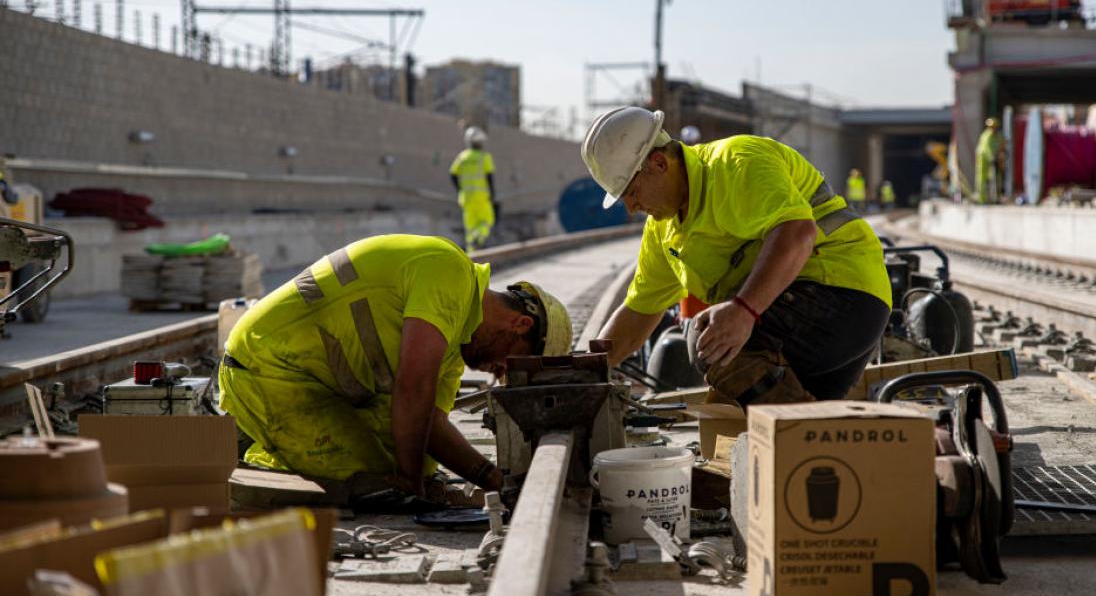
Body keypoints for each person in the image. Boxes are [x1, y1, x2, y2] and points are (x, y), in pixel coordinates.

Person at [580, 107, 892, 406]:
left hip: (841, 297)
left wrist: (743, 311)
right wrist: (586, 370)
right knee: (805, 441)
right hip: (800, 313)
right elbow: (639, 311)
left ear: (660, 164)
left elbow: (797, 233)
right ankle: (826, 440)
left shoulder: (735, 163)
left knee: (708, 340)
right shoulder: (662, 229)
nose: (632, 208)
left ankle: (806, 432)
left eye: (632, 193)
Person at [218, 234, 571, 493]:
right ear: (520, 325)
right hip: (268, 366)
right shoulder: (450, 272)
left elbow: (429, 421)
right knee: (376, 481)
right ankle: (251, 449)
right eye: (508, 365)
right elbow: (413, 386)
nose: (500, 372)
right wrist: (409, 483)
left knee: (422, 463)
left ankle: (271, 441)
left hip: (318, 383)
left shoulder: (454, 344)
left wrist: (492, 479)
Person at [450, 126, 498, 252]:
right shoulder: (484, 157)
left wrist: (460, 189)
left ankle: (472, 254)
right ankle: (479, 236)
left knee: (470, 227)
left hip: (466, 198)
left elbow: (453, 174)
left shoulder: (462, 157)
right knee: (487, 221)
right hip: (482, 198)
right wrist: (492, 194)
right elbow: (489, 178)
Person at [975, 117, 1002, 204]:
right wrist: (992, 157)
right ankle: (982, 199)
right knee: (982, 178)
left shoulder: (997, 135)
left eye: (994, 126)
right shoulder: (987, 136)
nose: (993, 128)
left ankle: (994, 197)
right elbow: (986, 148)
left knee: (994, 178)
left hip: (992, 158)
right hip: (983, 158)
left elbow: (1002, 142)